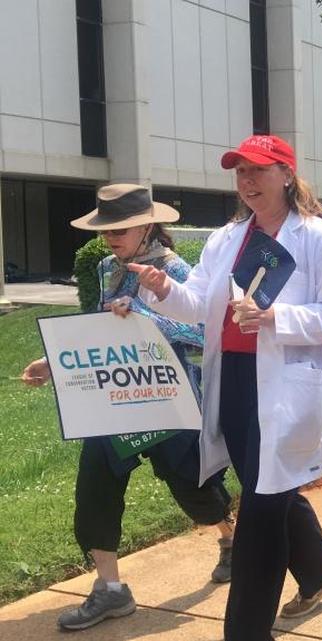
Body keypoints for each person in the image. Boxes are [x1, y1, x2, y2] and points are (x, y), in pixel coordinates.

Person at [131, 134, 322, 641]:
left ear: (286, 175)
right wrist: (164, 290)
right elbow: (198, 306)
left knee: (261, 509)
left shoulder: (316, 236)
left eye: (258, 170)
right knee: (265, 489)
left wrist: (275, 318)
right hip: (233, 380)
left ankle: (245, 630)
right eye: (240, 172)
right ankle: (318, 570)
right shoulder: (226, 239)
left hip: (285, 385)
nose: (248, 182)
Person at [21, 184, 234, 632]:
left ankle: (230, 538)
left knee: (192, 486)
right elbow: (101, 330)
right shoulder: (104, 268)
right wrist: (53, 363)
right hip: (112, 402)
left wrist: (144, 315)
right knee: (95, 487)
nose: (112, 237)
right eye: (106, 229)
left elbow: (202, 334)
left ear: (148, 225)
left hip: (166, 400)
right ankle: (111, 590)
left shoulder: (175, 268)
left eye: (122, 228)